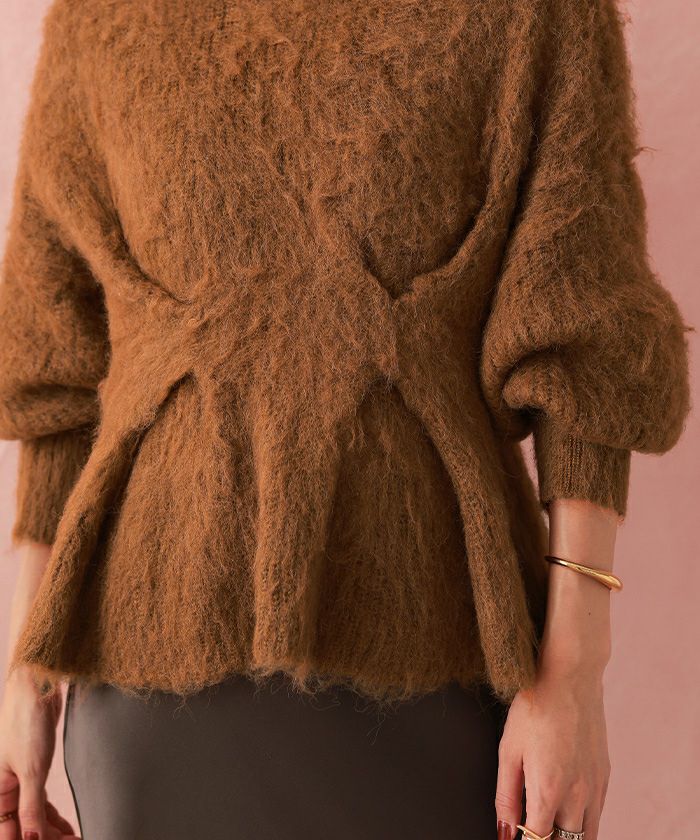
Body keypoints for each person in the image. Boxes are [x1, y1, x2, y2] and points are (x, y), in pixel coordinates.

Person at [0, 0, 691, 838]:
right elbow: (57, 376)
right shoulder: (99, 19)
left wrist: (574, 678)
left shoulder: (537, 15)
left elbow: (585, 357)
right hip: (142, 685)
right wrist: (25, 672)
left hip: (436, 660)